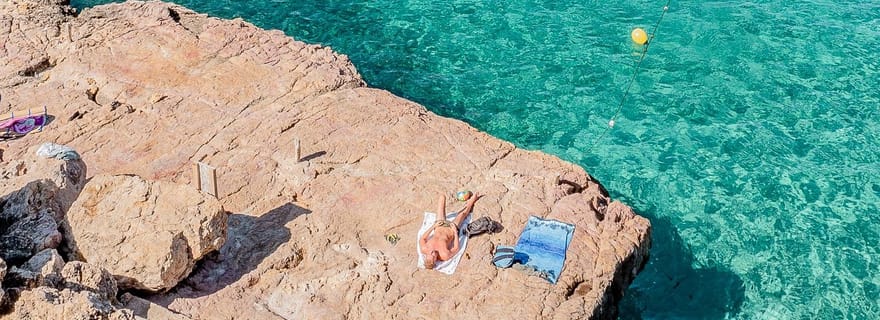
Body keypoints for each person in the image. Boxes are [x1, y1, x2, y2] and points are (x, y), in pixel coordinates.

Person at [420, 192, 481, 270]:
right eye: (433, 256)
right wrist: (455, 232)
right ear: (435, 261)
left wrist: (433, 226)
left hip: (439, 226)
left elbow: (423, 238)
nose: (433, 253)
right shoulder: (444, 255)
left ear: (426, 256)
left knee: (442, 197)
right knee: (463, 214)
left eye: (430, 254)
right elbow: (456, 248)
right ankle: (473, 199)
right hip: (451, 230)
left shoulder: (424, 248)